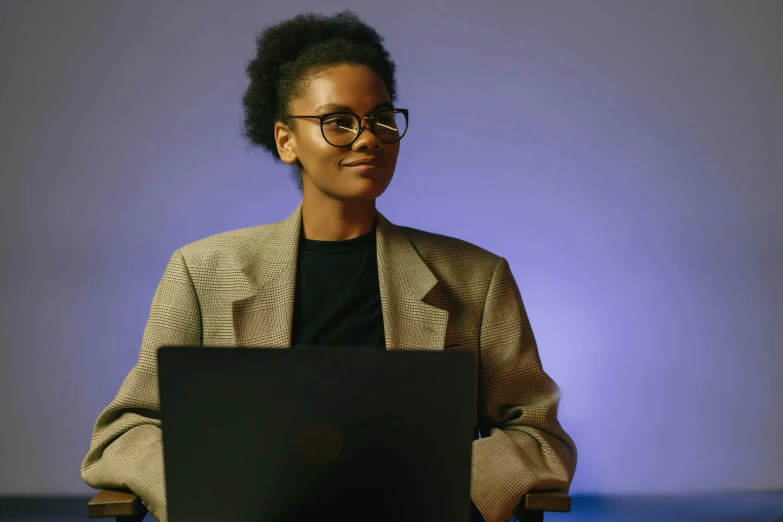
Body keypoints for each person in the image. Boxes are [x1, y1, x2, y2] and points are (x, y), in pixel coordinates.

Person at [81, 10, 577, 522]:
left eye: (382, 119)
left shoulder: (475, 278)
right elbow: (127, 430)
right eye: (338, 122)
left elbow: (537, 433)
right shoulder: (202, 270)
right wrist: (210, 493)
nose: (368, 138)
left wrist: (440, 488)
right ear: (285, 140)